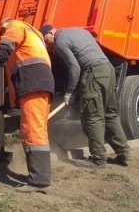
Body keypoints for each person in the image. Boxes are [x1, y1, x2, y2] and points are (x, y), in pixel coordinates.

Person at [40, 25, 130, 168]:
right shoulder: (78, 31)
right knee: (110, 114)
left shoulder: (60, 41)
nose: (47, 45)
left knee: (92, 117)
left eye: (45, 40)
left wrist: (69, 92)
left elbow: (74, 67)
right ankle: (124, 154)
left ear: (51, 33)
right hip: (108, 70)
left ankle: (98, 159)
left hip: (93, 72)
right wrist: (77, 90)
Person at [0, 19, 55, 192]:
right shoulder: (33, 37)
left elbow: (9, 39)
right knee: (38, 129)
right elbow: (17, 73)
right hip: (39, 83)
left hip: (33, 82)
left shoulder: (14, 26)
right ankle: (40, 175)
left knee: (32, 130)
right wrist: (9, 103)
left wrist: (2, 49)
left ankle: (39, 180)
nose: (3, 35)